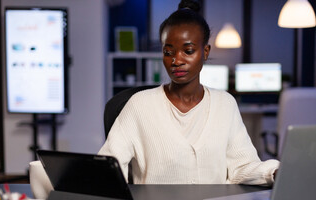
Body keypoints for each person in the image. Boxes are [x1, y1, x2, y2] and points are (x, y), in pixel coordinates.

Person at [99, 0, 279, 185]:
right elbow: (108, 167)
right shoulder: (139, 105)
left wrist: (274, 172)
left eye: (188, 51)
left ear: (205, 52)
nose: (177, 60)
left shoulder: (225, 104)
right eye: (168, 52)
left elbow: (242, 167)